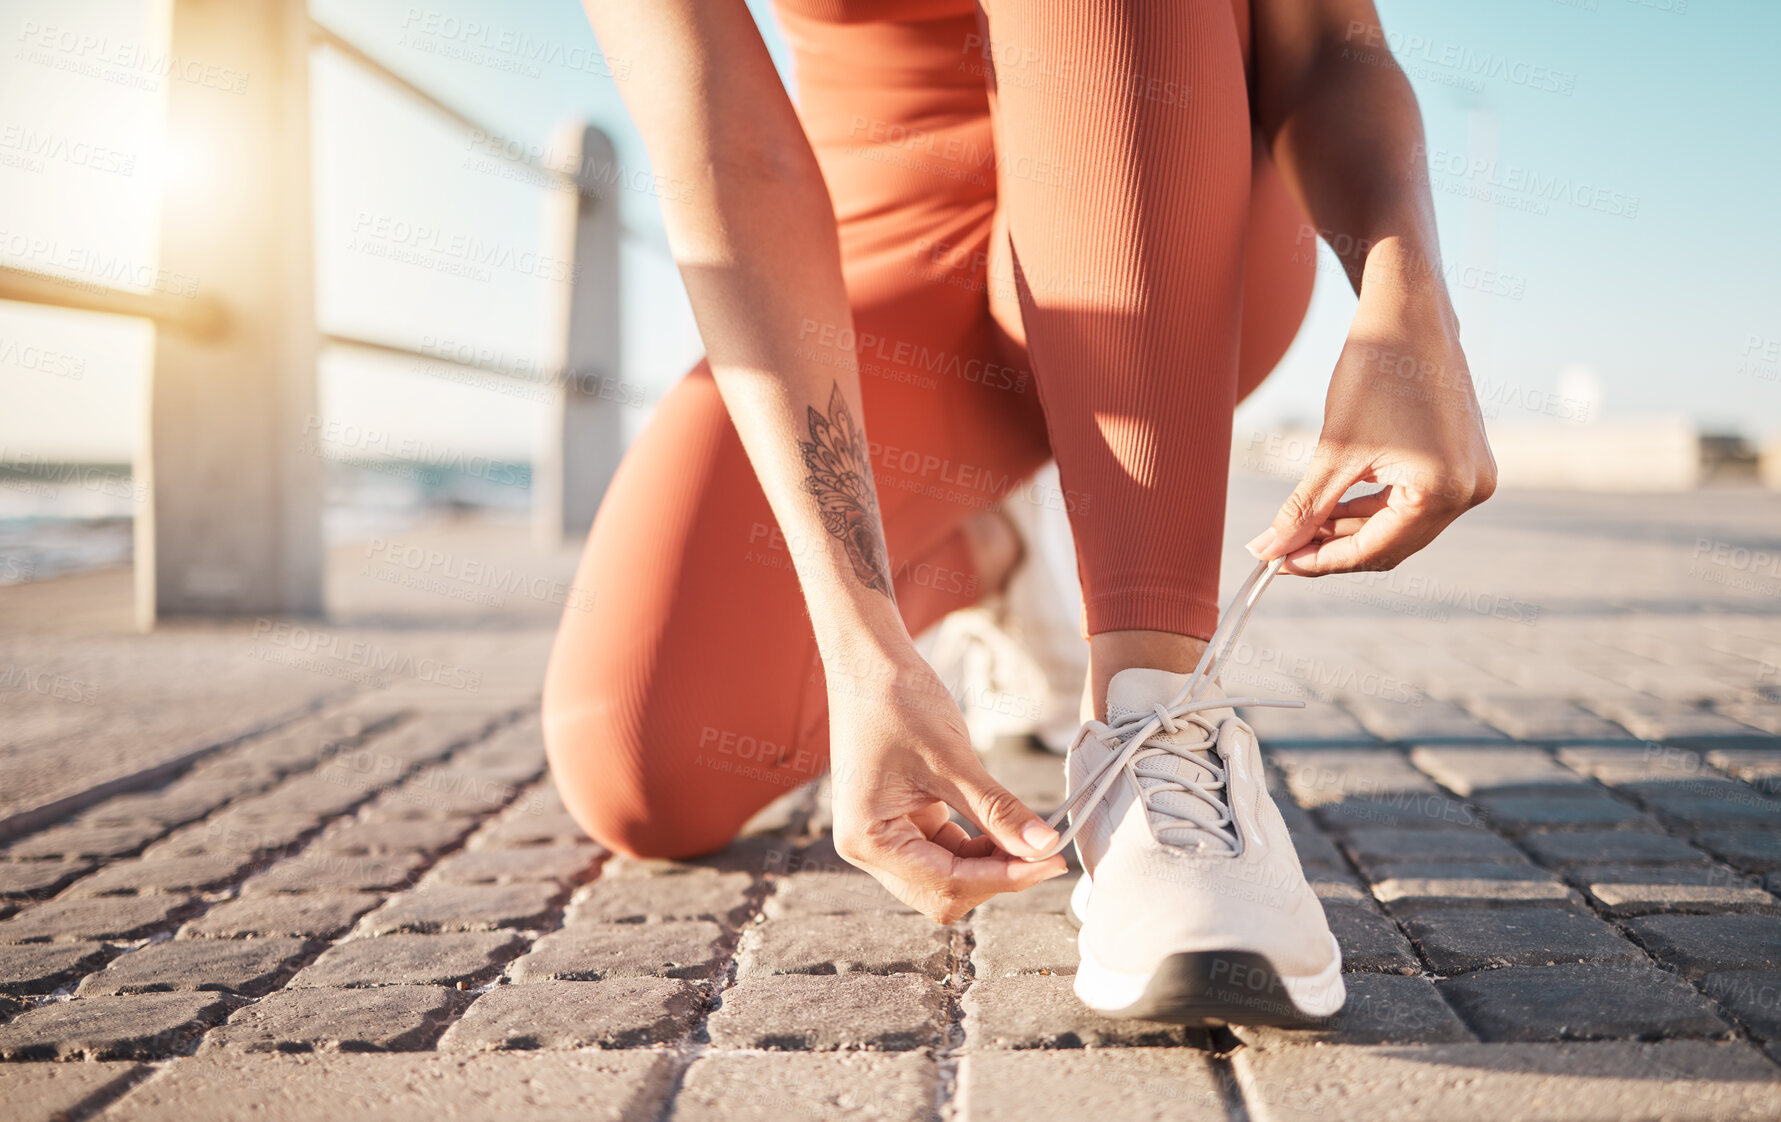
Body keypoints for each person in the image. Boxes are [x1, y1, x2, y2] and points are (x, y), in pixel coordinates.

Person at [543, 0, 1495, 1023]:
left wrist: (1409, 306)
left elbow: (1325, 48)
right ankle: (989, 555)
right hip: (883, 262)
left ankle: (1149, 718)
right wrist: (858, 641)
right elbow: (731, 151)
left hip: (1171, 211)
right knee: (648, 765)